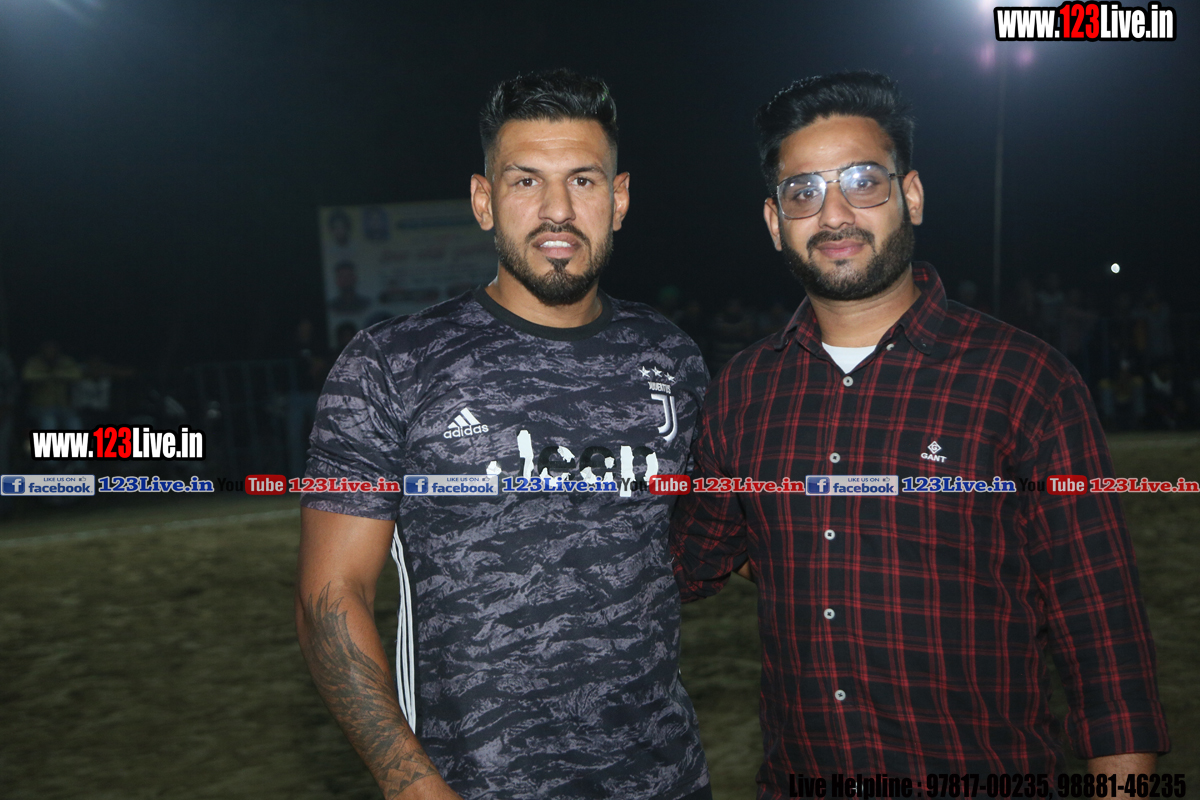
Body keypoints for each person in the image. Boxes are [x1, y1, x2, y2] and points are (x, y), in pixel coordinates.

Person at [670, 71, 1168, 796]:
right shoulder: (745, 393)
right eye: (803, 192)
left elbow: (1104, 636)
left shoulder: (1026, 381)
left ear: (912, 195)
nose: (834, 214)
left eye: (863, 181)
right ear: (775, 221)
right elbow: (691, 556)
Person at [296, 69, 710, 800]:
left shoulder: (671, 358)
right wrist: (410, 785)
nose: (558, 210)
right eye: (526, 181)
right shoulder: (391, 364)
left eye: (583, 181)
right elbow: (331, 596)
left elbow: (713, 540)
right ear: (484, 201)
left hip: (665, 780)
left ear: (618, 200)